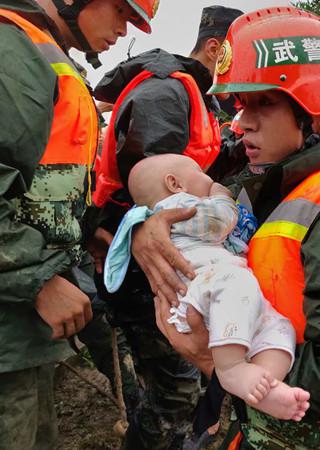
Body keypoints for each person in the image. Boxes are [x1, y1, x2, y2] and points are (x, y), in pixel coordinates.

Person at [142, 7, 320, 448]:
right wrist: (148, 230)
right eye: (240, 103)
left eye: (264, 103)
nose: (241, 122)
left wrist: (220, 356)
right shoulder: (271, 183)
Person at [0, 0, 156, 448]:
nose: (124, 30)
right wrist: (40, 280)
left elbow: (42, 181)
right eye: (121, 12)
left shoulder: (39, 53)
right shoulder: (13, 50)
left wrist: (88, 228)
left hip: (19, 329)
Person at [88, 6, 243, 448]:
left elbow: (199, 163)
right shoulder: (166, 92)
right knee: (173, 396)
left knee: (182, 387)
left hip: (170, 267)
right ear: (215, 48)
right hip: (146, 272)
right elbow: (153, 192)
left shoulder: (197, 97)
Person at [106, 153, 311, 421]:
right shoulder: (178, 207)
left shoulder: (162, 216)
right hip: (206, 288)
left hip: (219, 296)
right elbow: (219, 221)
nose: (210, 179)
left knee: (278, 327)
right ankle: (232, 369)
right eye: (202, 174)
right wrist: (223, 197)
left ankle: (265, 383)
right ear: (174, 184)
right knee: (237, 283)